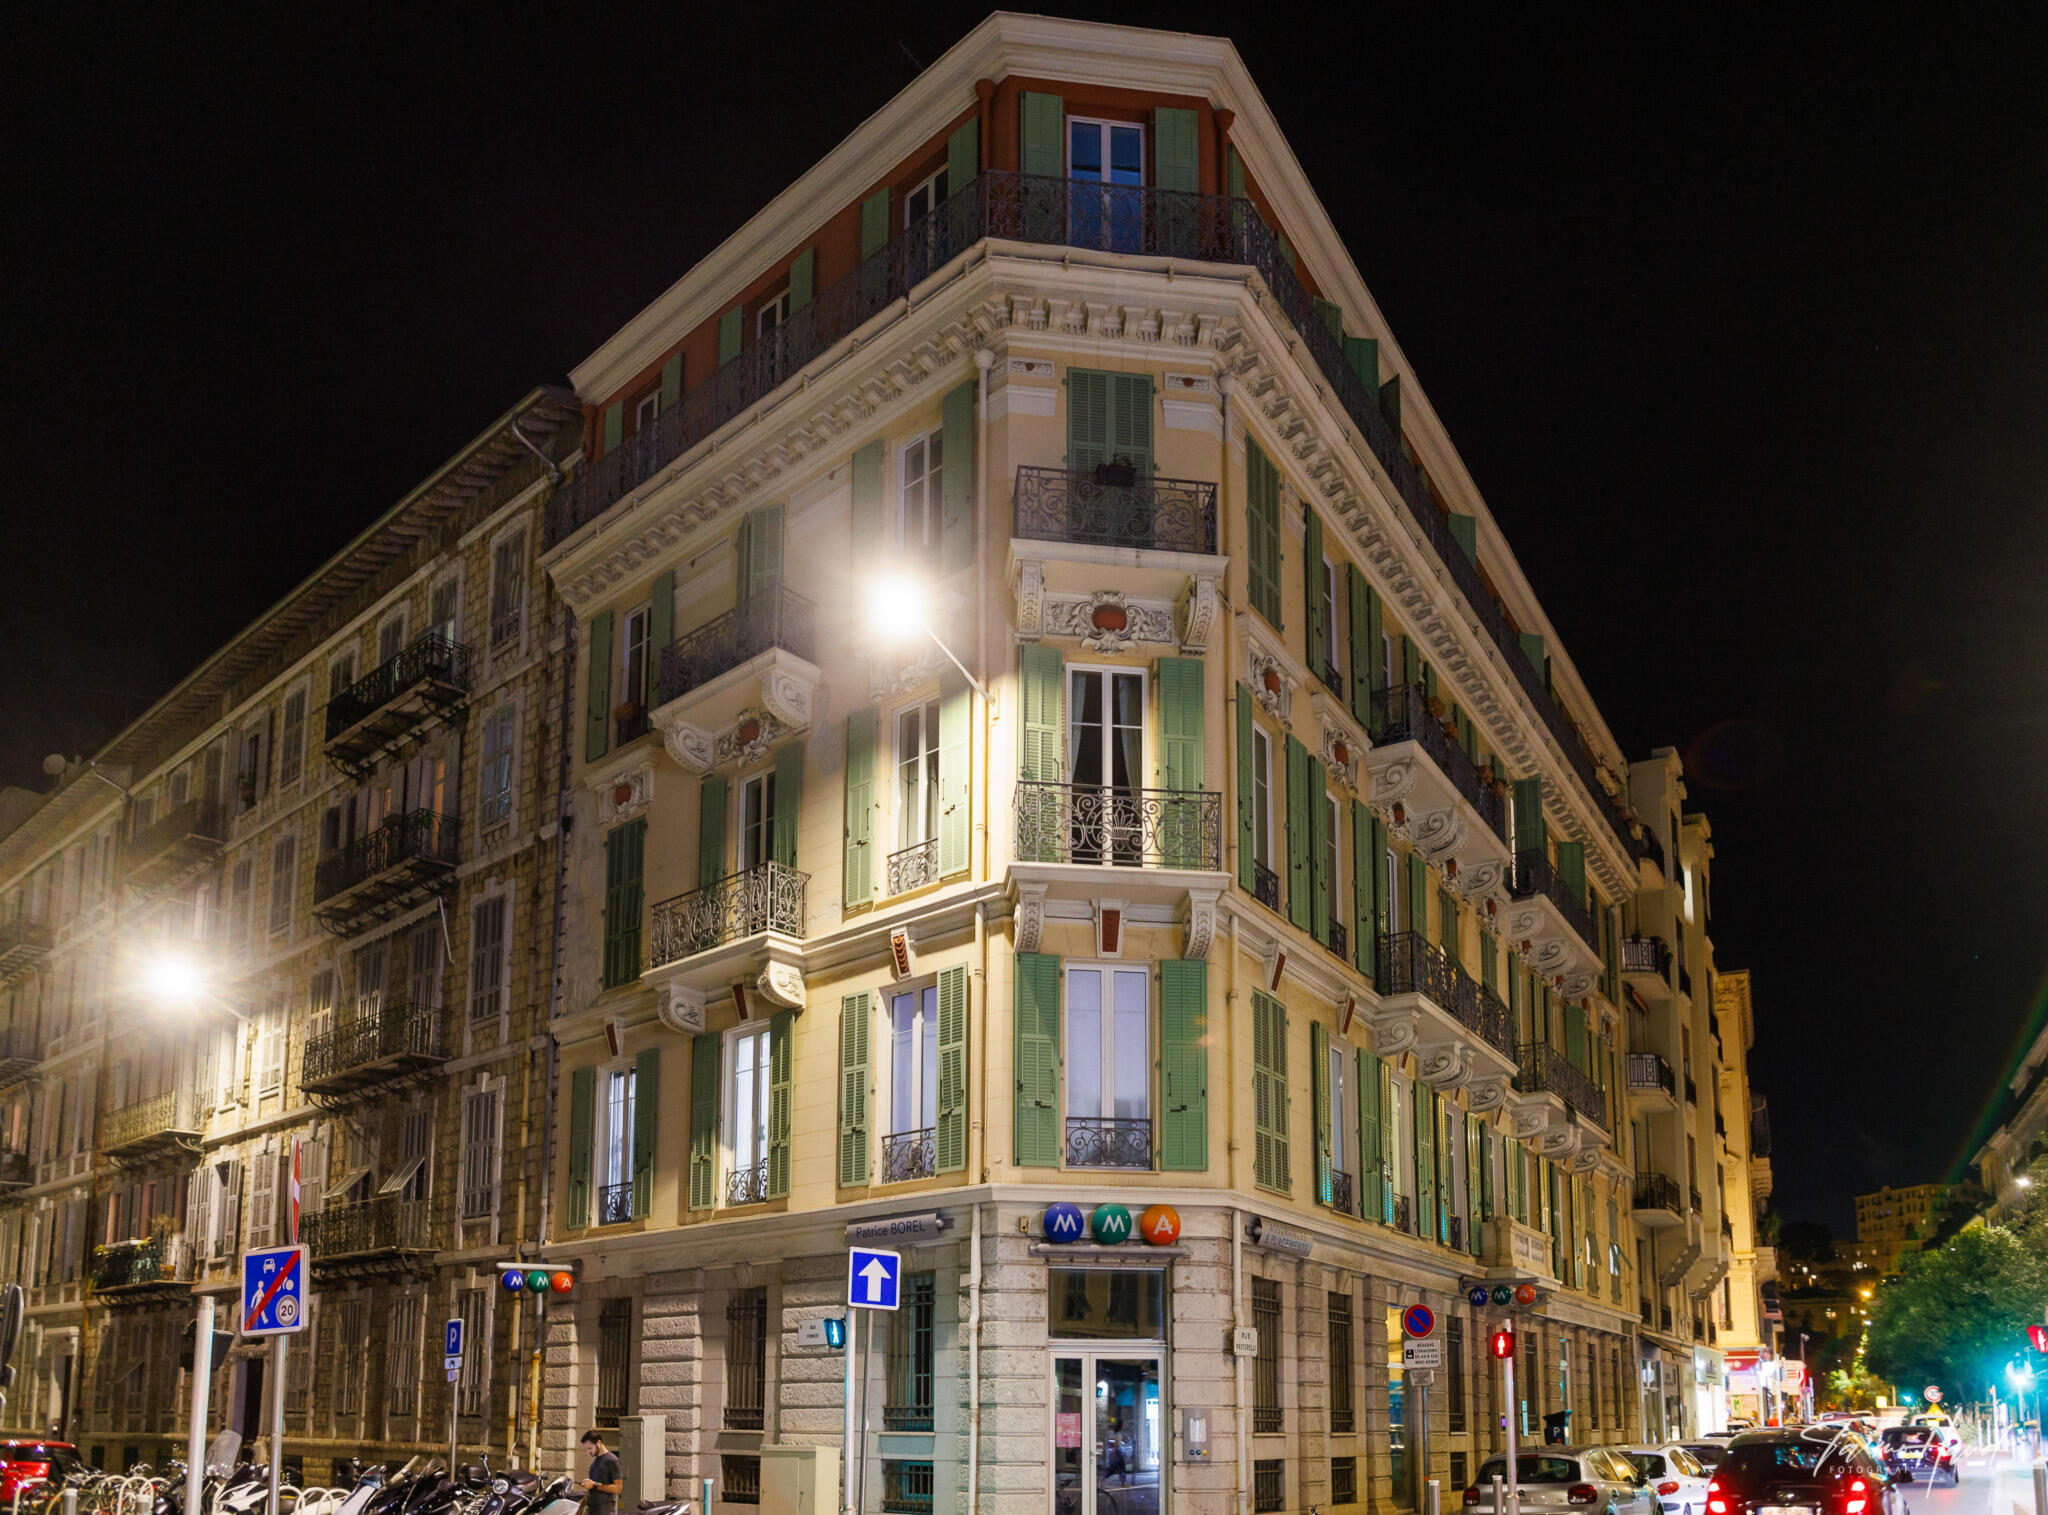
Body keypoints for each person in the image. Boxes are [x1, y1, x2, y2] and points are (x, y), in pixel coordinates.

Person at [579, 1430, 623, 1515]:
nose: (588, 1452)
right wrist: (581, 1507)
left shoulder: (612, 1461)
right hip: (592, 1510)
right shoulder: (594, 1463)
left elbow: (618, 1488)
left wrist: (595, 1485)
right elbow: (591, 1489)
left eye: (590, 1448)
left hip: (605, 1510)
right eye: (586, 1449)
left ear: (598, 1443)